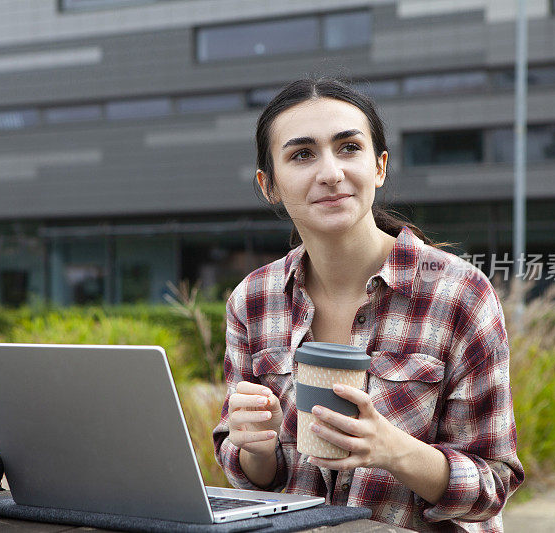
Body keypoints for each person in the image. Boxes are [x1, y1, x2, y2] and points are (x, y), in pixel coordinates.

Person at [212, 77, 524, 532]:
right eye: (302, 154)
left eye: (349, 147)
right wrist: (256, 448)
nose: (330, 172)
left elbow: (493, 486)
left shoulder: (458, 293)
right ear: (269, 185)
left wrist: (394, 450)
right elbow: (258, 479)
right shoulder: (252, 301)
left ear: (379, 167)